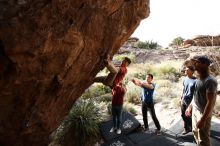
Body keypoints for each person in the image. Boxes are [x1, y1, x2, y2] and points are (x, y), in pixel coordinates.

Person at [185, 56, 218, 146]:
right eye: (194, 62)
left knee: (203, 139)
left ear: (205, 65)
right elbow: (195, 95)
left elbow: (210, 103)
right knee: (195, 131)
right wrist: (190, 107)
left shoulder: (210, 81)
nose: (195, 64)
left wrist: (203, 119)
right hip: (195, 110)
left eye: (197, 62)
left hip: (203, 113)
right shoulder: (198, 79)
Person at [180, 66, 196, 135]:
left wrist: (192, 103)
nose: (185, 71)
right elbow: (184, 88)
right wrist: (181, 97)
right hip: (184, 99)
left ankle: (194, 128)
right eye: (185, 70)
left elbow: (196, 93)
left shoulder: (196, 80)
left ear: (192, 71)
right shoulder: (185, 79)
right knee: (183, 114)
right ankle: (187, 128)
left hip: (191, 101)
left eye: (187, 70)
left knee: (190, 115)